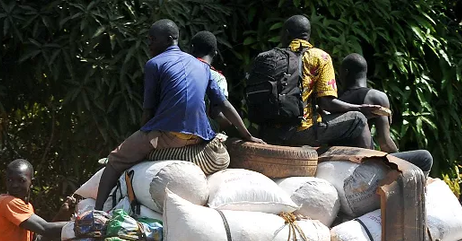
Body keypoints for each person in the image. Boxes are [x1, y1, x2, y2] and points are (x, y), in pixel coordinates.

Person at [94, 19, 261, 210]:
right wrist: (247, 135)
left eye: (153, 39)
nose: (149, 44)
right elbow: (224, 104)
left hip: (167, 135)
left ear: (168, 39)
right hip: (200, 137)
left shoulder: (154, 64)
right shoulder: (202, 67)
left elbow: (148, 110)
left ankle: (97, 212)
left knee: (115, 159)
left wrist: (142, 138)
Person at [256, 15, 385, 148]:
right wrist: (359, 108)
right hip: (300, 132)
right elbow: (326, 103)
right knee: (358, 119)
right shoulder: (319, 57)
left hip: (266, 132)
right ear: (308, 35)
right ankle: (370, 163)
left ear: (287, 34)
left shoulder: (267, 58)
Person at [339, 53, 434, 175]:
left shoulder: (334, 100)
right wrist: (398, 158)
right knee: (425, 157)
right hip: (363, 159)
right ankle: (419, 190)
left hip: (339, 155)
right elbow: (385, 142)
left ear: (345, 72)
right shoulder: (375, 97)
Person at [190, 31, 228, 98]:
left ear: (192, 48)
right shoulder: (218, 78)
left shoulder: (180, 69)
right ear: (215, 53)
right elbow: (220, 106)